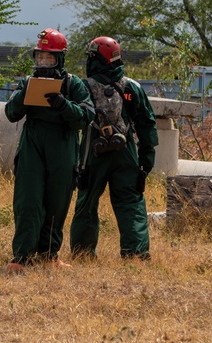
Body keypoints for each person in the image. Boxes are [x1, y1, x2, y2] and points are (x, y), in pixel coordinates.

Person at [4, 28, 94, 271]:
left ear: (60, 59)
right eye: (40, 57)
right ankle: (21, 256)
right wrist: (25, 94)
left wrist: (63, 105)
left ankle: (49, 255)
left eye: (49, 57)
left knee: (57, 201)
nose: (43, 62)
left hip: (62, 145)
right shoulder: (26, 82)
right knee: (28, 201)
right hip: (32, 145)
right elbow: (11, 113)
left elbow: (86, 117)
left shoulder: (73, 84)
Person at [70, 36, 157, 260]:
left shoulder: (83, 87)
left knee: (87, 201)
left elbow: (72, 120)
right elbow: (147, 125)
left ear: (98, 59)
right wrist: (146, 162)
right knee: (130, 201)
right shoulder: (132, 88)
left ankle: (82, 253)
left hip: (92, 151)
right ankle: (136, 254)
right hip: (125, 152)